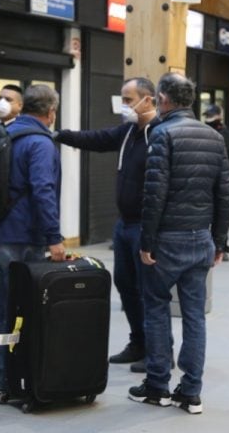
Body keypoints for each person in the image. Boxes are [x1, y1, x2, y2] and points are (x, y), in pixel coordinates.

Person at [128, 72, 229, 415]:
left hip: (168, 239)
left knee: (156, 308)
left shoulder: (162, 133)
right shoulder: (214, 137)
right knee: (194, 316)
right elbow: (224, 194)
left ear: (163, 100)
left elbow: (154, 192)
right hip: (200, 238)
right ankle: (191, 392)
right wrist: (220, 241)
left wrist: (147, 240)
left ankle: (157, 385)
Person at [56, 77, 157, 370]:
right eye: (123, 99)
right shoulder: (127, 132)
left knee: (148, 289)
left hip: (144, 227)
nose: (123, 105)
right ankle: (138, 341)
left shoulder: (159, 135)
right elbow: (97, 139)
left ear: (147, 100)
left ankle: (158, 350)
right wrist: (61, 135)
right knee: (126, 286)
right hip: (124, 225)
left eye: (128, 99)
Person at [0, 84, 66, 396]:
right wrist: (54, 238)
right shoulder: (40, 143)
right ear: (51, 112)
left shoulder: (3, 134)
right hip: (22, 238)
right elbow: (43, 190)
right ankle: (16, 377)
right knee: (25, 310)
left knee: (1, 307)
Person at [202, 104, 229, 261]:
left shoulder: (223, 132)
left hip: (219, 175)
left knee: (221, 212)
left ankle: (221, 245)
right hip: (206, 174)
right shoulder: (203, 129)